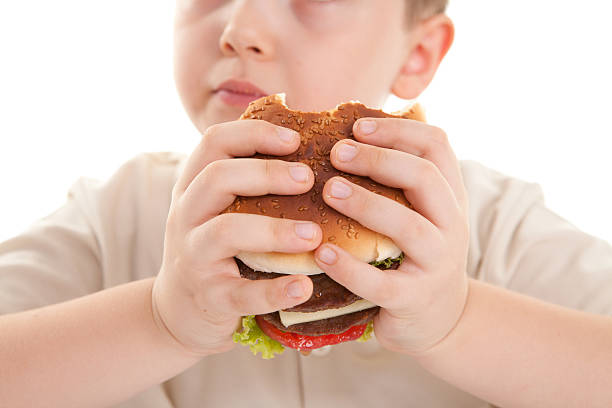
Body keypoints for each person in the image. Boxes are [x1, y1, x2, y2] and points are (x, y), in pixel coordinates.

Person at [1, 1, 611, 407]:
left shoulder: (494, 223)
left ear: (417, 54)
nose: (239, 28)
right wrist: (160, 320)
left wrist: (460, 320)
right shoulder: (113, 220)